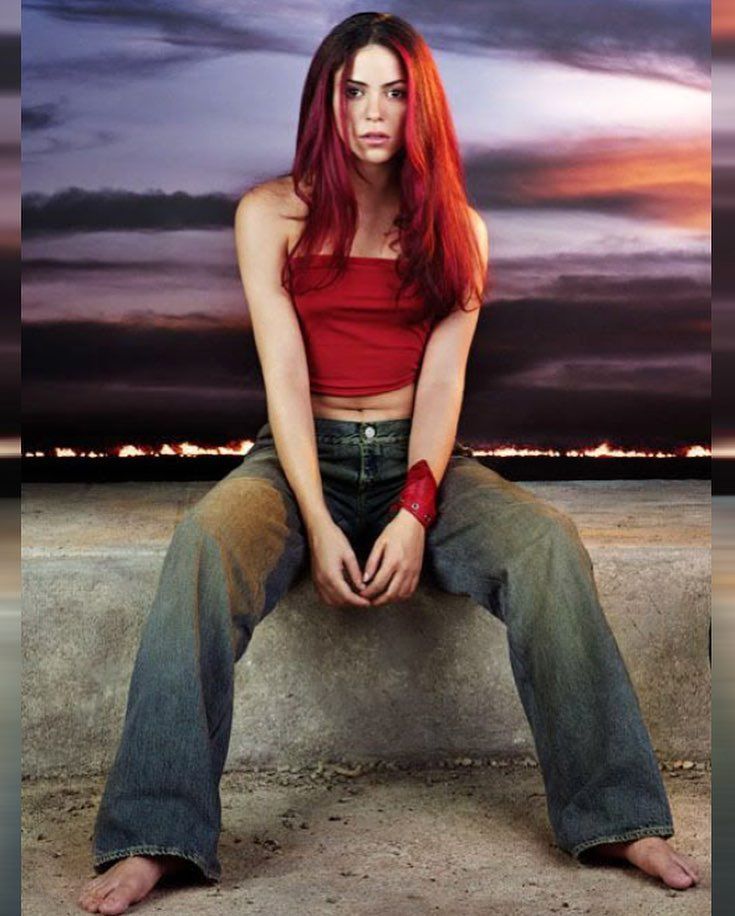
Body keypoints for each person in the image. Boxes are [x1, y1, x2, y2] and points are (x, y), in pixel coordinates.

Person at [78, 12, 700, 914]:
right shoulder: (269, 213)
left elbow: (442, 386)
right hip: (300, 458)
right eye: (354, 90)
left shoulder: (459, 231)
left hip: (422, 458)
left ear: (423, 108)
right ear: (325, 103)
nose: (374, 112)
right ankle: (156, 835)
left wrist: (413, 508)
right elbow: (284, 379)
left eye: (396, 92)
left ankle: (617, 816)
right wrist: (321, 520)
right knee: (204, 546)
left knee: (547, 543)